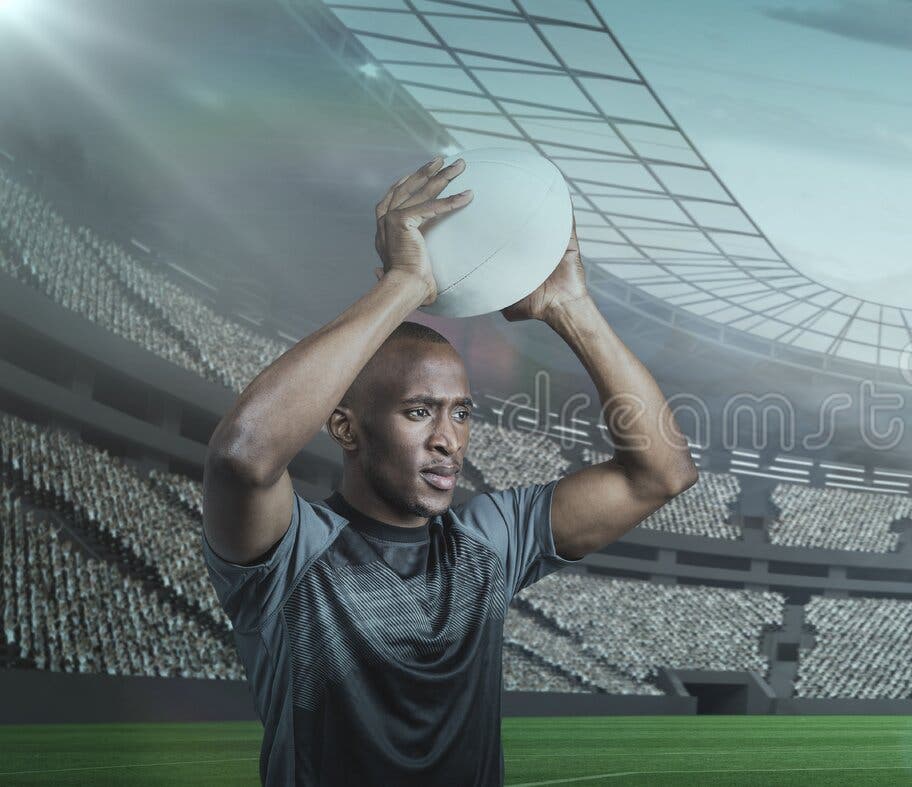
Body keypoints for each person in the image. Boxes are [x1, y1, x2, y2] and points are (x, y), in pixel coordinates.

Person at [201, 156, 698, 785]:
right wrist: (407, 284)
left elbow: (661, 472)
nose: (448, 440)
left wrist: (572, 306)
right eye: (418, 411)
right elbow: (243, 456)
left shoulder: (489, 542)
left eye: (461, 414)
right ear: (346, 426)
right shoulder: (292, 554)